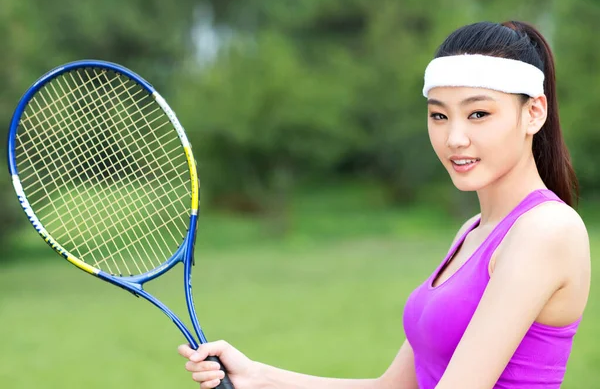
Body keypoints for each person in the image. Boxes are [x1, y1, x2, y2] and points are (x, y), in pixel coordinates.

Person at [178, 20, 591, 389]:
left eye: (478, 114)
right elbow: (393, 386)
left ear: (534, 113)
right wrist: (260, 377)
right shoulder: (471, 232)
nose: (455, 139)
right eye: (439, 116)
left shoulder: (547, 231)